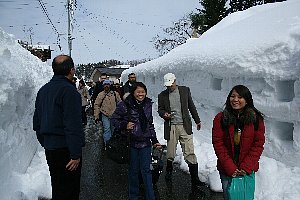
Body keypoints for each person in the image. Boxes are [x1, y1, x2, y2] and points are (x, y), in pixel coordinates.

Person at [33, 55, 85, 200]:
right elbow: (73, 125)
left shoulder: (43, 91)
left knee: (57, 187)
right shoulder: (69, 91)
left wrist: (47, 143)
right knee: (70, 191)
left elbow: (37, 122)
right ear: (71, 70)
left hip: (51, 149)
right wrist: (75, 154)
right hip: (66, 150)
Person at [212, 85, 265, 200]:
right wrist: (230, 167)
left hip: (247, 169)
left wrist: (246, 167)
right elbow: (218, 143)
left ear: (247, 100)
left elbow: (258, 144)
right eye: (233, 96)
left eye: (240, 97)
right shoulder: (221, 118)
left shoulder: (256, 119)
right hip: (226, 169)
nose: (235, 100)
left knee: (245, 196)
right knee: (229, 196)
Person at [111, 82, 161, 200]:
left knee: (146, 170)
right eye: (138, 92)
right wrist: (124, 125)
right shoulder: (125, 105)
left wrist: (154, 140)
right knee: (133, 170)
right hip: (131, 142)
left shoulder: (148, 104)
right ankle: (133, 196)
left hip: (145, 142)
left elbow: (150, 124)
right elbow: (114, 119)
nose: (141, 94)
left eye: (143, 92)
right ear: (133, 93)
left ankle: (150, 196)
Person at [157, 73, 205, 187]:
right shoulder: (162, 95)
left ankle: (195, 179)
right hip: (171, 126)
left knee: (190, 151)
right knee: (170, 152)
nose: (169, 87)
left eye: (171, 84)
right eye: (167, 85)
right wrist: (164, 114)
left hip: (185, 125)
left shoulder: (184, 91)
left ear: (175, 81)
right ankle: (168, 172)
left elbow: (191, 106)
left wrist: (197, 120)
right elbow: (160, 109)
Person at [94, 79, 121, 146]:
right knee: (107, 129)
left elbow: (120, 104)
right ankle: (107, 144)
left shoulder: (115, 94)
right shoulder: (100, 94)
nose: (106, 86)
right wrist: (96, 116)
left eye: (108, 84)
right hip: (105, 114)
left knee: (112, 130)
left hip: (114, 115)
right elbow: (97, 105)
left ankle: (111, 142)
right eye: (105, 84)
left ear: (110, 85)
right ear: (103, 86)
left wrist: (121, 114)